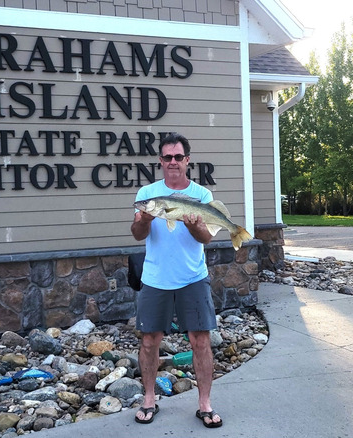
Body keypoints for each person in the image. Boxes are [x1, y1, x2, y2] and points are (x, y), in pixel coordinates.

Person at [130, 132, 223, 428]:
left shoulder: (202, 197)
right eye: (167, 157)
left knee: (201, 340)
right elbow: (137, 233)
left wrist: (194, 225)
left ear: (187, 160)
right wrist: (144, 219)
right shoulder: (148, 195)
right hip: (155, 277)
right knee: (149, 341)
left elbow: (206, 238)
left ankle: (205, 404)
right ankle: (148, 399)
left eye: (178, 157)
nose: (173, 162)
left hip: (192, 277)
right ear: (160, 161)